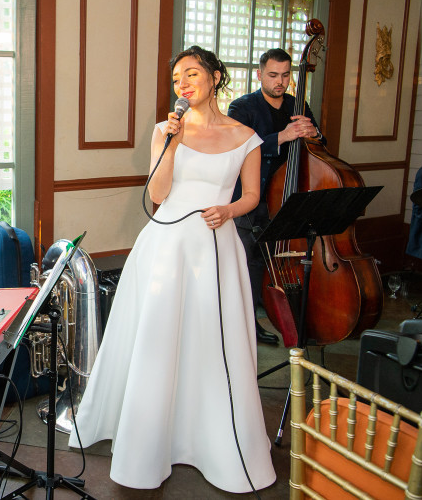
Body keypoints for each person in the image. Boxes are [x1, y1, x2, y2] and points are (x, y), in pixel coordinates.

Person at [69, 46, 276, 493]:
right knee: (159, 338)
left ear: (216, 76)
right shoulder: (166, 129)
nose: (183, 83)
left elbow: (254, 196)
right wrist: (172, 144)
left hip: (215, 245)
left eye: (192, 73)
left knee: (210, 338)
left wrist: (230, 209)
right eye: (177, 77)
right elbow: (158, 195)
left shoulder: (247, 135)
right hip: (165, 245)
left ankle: (209, 438)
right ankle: (146, 443)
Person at [227, 48, 325, 345]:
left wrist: (315, 135)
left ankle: (286, 317)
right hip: (249, 197)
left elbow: (320, 146)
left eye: (285, 75)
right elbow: (237, 150)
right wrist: (282, 136)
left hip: (286, 197)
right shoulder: (241, 107)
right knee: (247, 262)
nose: (280, 81)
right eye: (273, 75)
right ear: (259, 75)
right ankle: (244, 325)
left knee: (273, 260)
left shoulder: (298, 104)